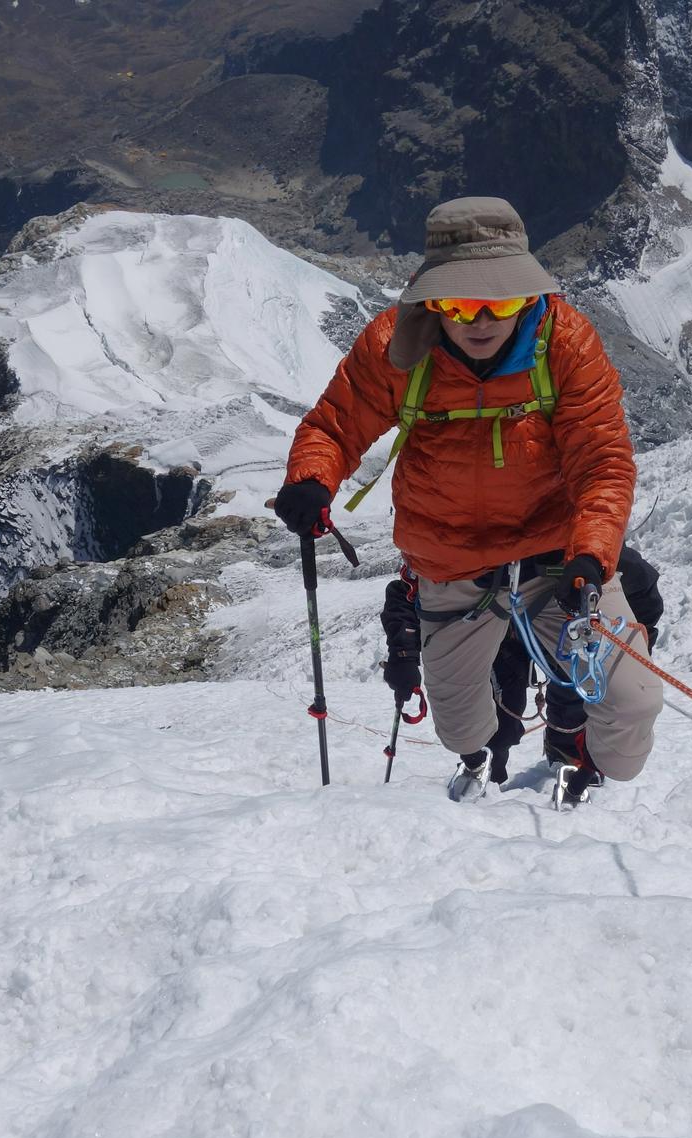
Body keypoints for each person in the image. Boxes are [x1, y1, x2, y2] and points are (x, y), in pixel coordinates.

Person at [274, 196, 663, 803]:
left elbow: (603, 462)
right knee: (458, 724)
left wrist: (590, 554)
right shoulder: (394, 347)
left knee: (635, 700)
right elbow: (335, 426)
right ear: (431, 303)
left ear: (527, 299)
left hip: (559, 553)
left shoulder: (566, 343)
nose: (478, 322)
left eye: (499, 303)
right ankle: (478, 756)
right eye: (457, 305)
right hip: (451, 560)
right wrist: (311, 478)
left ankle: (590, 765)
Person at [380, 544, 664, 791]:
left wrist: (635, 648)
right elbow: (407, 593)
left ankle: (568, 755)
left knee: (575, 694)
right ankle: (486, 761)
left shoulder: (593, 555)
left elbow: (642, 593)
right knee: (504, 708)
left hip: (550, 618)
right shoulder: (453, 557)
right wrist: (403, 655)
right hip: (503, 638)